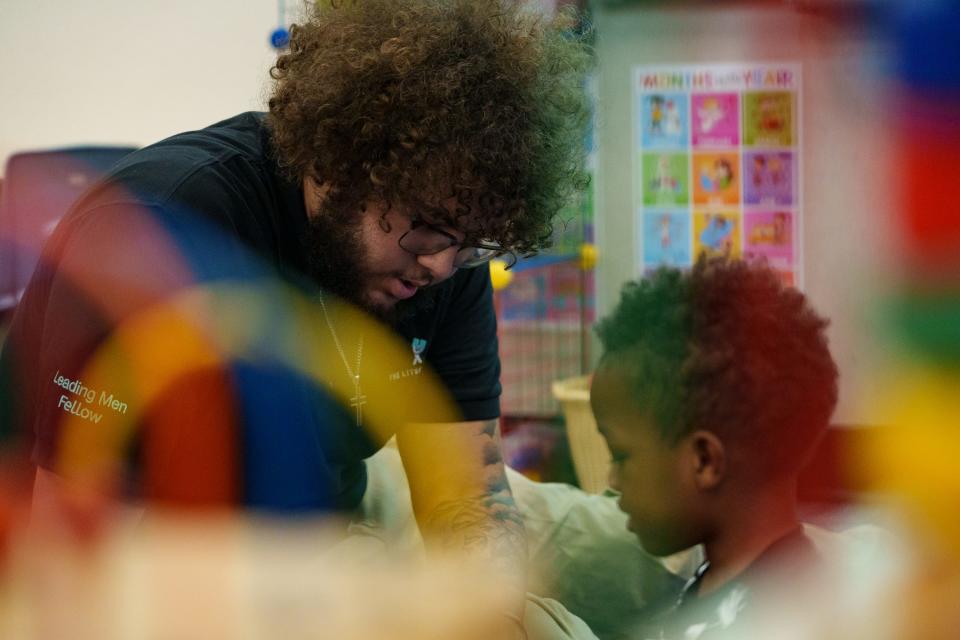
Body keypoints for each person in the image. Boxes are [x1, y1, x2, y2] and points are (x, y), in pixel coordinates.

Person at [0, 0, 591, 636]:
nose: (443, 266)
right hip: (152, 550)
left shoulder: (448, 257)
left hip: (322, 530)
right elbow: (71, 551)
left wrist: (493, 616)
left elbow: (467, 496)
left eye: (475, 245)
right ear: (345, 161)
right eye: (430, 230)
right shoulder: (158, 227)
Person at [590, 258, 839, 638]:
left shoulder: (778, 623)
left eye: (622, 456)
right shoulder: (723, 583)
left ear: (705, 461)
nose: (613, 480)